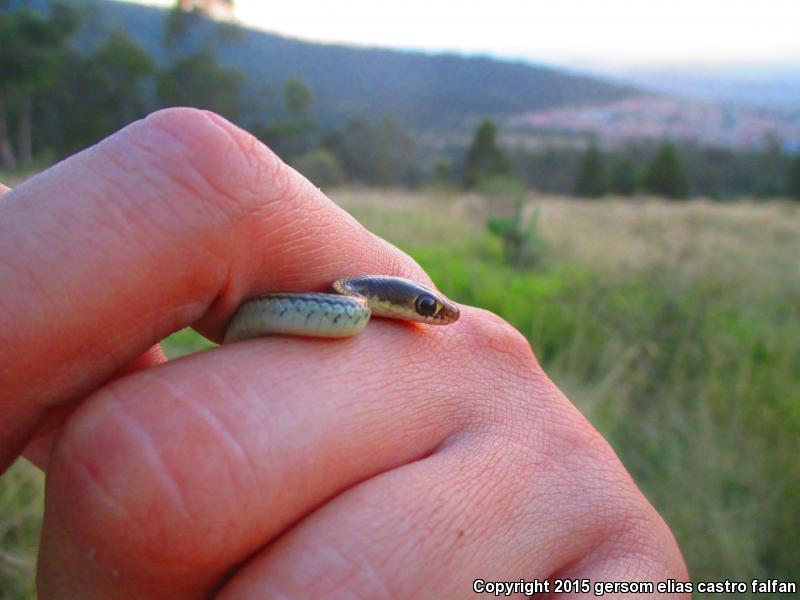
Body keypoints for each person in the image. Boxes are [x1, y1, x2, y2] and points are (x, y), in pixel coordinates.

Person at [0, 108, 688, 598]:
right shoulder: (351, 303)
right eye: (426, 309)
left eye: (435, 310)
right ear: (389, 301)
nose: (438, 319)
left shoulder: (356, 310)